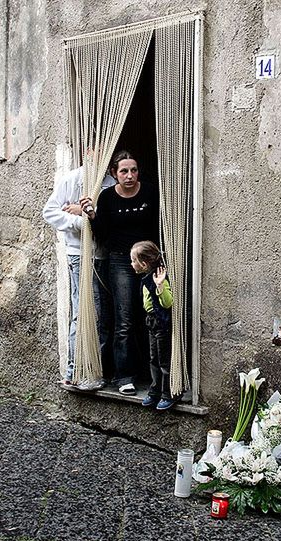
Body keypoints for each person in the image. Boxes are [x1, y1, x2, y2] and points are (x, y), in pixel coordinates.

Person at [80, 151, 159, 396]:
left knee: (152, 316)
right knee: (124, 320)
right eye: (124, 171)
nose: (129, 176)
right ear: (114, 174)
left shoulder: (150, 192)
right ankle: (125, 376)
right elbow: (102, 234)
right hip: (121, 262)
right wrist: (92, 216)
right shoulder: (107, 197)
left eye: (133, 170)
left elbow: (159, 224)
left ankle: (155, 375)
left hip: (148, 261)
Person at [42, 160, 115, 386]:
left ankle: (97, 370)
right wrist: (80, 220)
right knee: (82, 312)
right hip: (79, 253)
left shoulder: (111, 182)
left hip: (104, 254)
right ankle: (75, 371)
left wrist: (91, 215)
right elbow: (50, 212)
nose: (103, 155)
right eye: (98, 148)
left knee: (103, 315)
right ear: (88, 150)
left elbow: (112, 219)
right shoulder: (73, 178)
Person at [130, 241, 180, 411]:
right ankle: (155, 390)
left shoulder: (158, 278)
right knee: (154, 359)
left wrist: (160, 285)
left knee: (164, 361)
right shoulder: (145, 278)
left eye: (133, 260)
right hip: (152, 322)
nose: (131, 264)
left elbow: (167, 303)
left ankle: (168, 393)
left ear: (143, 263)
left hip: (162, 324)